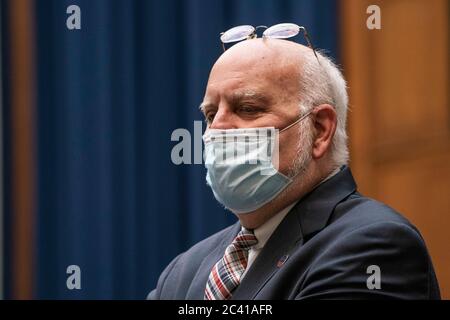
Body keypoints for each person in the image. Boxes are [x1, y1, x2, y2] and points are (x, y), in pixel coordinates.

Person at [148, 34, 440, 299]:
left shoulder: (373, 244)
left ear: (320, 130)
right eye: (211, 114)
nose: (217, 129)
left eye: (248, 108)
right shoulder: (183, 272)